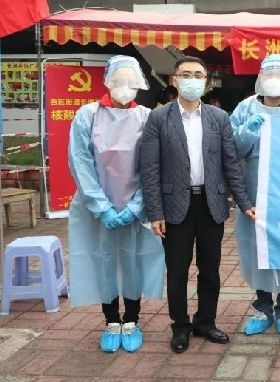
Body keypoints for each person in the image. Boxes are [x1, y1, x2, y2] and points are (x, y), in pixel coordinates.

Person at [139, 56, 255, 354]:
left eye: (198, 75)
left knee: (210, 269)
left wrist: (244, 202)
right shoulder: (159, 118)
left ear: (207, 81)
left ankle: (206, 321)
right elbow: (149, 168)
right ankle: (180, 325)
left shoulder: (219, 118)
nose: (192, 80)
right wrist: (155, 212)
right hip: (174, 206)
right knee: (177, 271)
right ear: (174, 80)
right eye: (186, 74)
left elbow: (231, 163)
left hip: (210, 204)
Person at [67, 55, 164, 353]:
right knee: (103, 260)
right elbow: (80, 162)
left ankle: (132, 319)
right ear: (107, 82)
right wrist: (101, 207)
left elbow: (154, 165)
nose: (124, 86)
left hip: (136, 207)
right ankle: (111, 320)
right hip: (97, 207)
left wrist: (137, 205)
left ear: (139, 84)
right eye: (118, 80)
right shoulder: (87, 115)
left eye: (130, 81)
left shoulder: (147, 117)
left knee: (134, 261)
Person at [229, 54, 280, 338]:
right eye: (269, 74)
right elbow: (231, 150)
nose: (274, 80)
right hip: (254, 189)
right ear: (260, 78)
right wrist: (247, 131)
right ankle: (263, 307)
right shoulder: (245, 108)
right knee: (257, 248)